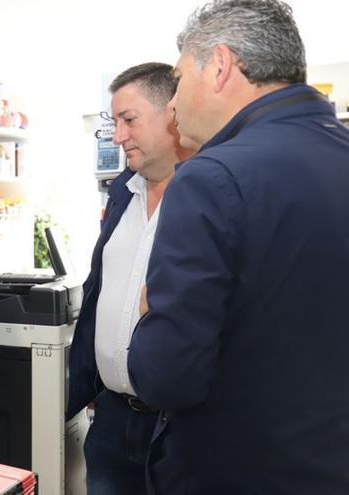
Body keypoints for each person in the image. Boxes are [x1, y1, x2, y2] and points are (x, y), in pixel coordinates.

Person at [127, 1, 349, 493]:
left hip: (236, 468)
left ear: (221, 66)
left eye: (179, 81)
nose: (172, 104)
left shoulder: (212, 178)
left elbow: (167, 377)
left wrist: (149, 315)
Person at [66, 62, 192, 494]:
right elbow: (98, 288)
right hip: (112, 421)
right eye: (114, 122)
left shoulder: (209, 198)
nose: (118, 136)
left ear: (171, 113)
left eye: (129, 120)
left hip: (178, 430)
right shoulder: (122, 193)